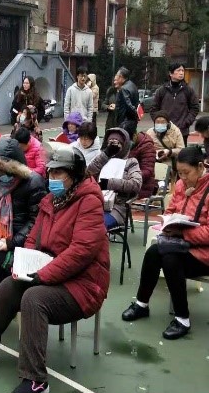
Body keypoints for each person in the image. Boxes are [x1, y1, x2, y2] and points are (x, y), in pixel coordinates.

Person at [0, 147, 109, 393]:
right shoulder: (51, 201)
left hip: (84, 284)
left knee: (33, 298)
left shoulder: (89, 202)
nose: (52, 177)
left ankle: (36, 378)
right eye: (51, 172)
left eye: (59, 173)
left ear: (74, 175)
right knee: (8, 286)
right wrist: (24, 263)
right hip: (51, 271)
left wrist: (42, 274)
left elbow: (81, 252)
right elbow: (32, 238)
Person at [122, 146, 209, 339]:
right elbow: (170, 211)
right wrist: (168, 222)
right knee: (153, 252)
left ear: (200, 166)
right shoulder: (181, 185)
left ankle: (182, 318)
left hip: (203, 254)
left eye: (186, 172)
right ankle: (142, 304)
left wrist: (183, 233)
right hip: (180, 244)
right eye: (179, 173)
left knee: (170, 259)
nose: (183, 178)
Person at [0, 139, 46, 314]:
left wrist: (10, 242)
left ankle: (5, 302)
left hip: (24, 242)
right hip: (0, 235)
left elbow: (36, 222)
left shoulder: (33, 182)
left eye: (2, 170)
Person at [86, 127, 142, 229]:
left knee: (96, 226)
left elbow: (136, 184)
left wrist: (108, 183)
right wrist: (107, 153)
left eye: (117, 143)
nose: (113, 145)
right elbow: (88, 172)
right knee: (79, 222)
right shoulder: (103, 159)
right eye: (110, 142)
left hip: (117, 208)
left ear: (124, 145)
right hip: (96, 204)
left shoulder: (131, 162)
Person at [151, 63, 199, 146]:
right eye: (178, 70)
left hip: (182, 131)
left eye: (183, 70)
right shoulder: (162, 90)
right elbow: (154, 109)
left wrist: (186, 122)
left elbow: (194, 108)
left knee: (180, 152)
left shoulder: (188, 90)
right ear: (171, 73)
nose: (181, 73)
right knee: (163, 151)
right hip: (163, 130)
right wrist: (159, 122)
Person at [127, 125, 157, 198]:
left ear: (135, 135)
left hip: (143, 186)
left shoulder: (147, 146)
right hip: (126, 184)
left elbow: (148, 170)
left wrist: (130, 177)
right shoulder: (123, 145)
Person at [113, 67, 139, 136]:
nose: (115, 78)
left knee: (124, 139)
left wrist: (136, 113)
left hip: (124, 122)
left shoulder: (123, 89)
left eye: (116, 75)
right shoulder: (133, 85)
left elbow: (128, 105)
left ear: (121, 77)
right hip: (132, 122)